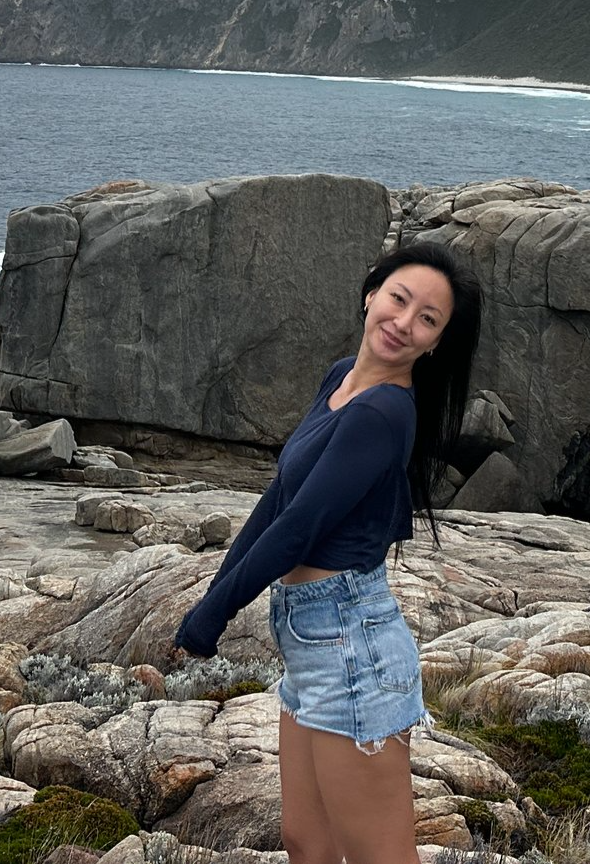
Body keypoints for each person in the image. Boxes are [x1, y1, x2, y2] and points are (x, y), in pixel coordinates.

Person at [170, 242, 484, 864]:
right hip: (311, 638)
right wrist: (212, 597)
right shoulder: (340, 377)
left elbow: (300, 529)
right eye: (399, 299)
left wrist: (217, 613)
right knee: (306, 844)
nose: (403, 322)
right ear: (372, 294)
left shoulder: (385, 412)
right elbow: (278, 501)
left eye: (428, 319)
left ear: (435, 344)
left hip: (351, 643)